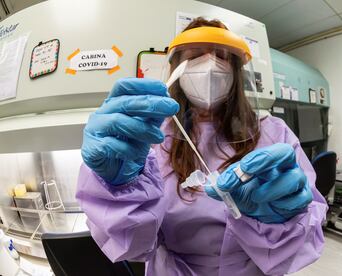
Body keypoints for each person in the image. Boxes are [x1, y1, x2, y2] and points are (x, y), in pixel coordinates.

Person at [76, 17, 327, 276]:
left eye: (222, 57)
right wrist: (119, 188)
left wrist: (283, 218)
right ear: (177, 68)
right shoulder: (149, 136)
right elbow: (131, 246)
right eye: (196, 56)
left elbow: (306, 238)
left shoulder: (273, 132)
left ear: (237, 71)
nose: (209, 67)